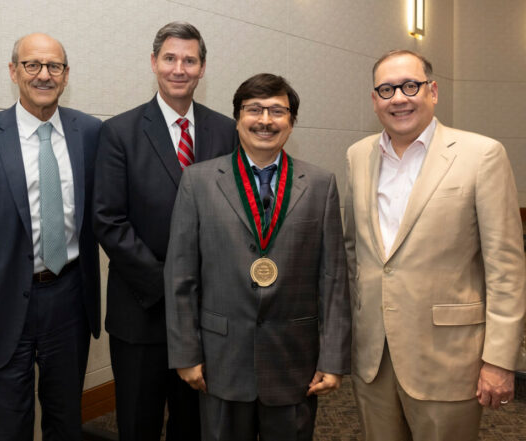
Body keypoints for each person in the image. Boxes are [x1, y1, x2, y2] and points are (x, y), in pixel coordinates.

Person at [344, 49, 526, 441]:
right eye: (387, 89)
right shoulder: (358, 157)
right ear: (374, 100)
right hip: (373, 358)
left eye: (411, 86)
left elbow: (506, 269)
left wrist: (499, 360)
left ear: (434, 91)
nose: (399, 98)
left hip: (449, 358)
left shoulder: (482, 155)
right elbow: (352, 253)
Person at [164, 73, 351, 441]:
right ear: (237, 118)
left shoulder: (319, 184)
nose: (265, 120)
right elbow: (180, 275)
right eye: (254, 110)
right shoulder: (198, 181)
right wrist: (186, 353)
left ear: (291, 122)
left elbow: (333, 279)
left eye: (277, 111)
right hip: (221, 359)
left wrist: (333, 359)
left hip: (293, 360)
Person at [0, 33, 101, 440]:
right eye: (32, 65)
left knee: (66, 422)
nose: (43, 75)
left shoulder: (93, 133)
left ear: (66, 76)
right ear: (14, 71)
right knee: (4, 425)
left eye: (54, 66)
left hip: (69, 301)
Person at [92, 21, 237, 441]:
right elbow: (108, 220)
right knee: (138, 424)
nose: (179, 68)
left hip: (207, 315)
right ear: (154, 63)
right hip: (141, 311)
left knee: (195, 426)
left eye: (189, 60)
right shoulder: (118, 132)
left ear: (203, 68)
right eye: (170, 58)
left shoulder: (225, 131)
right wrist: (171, 287)